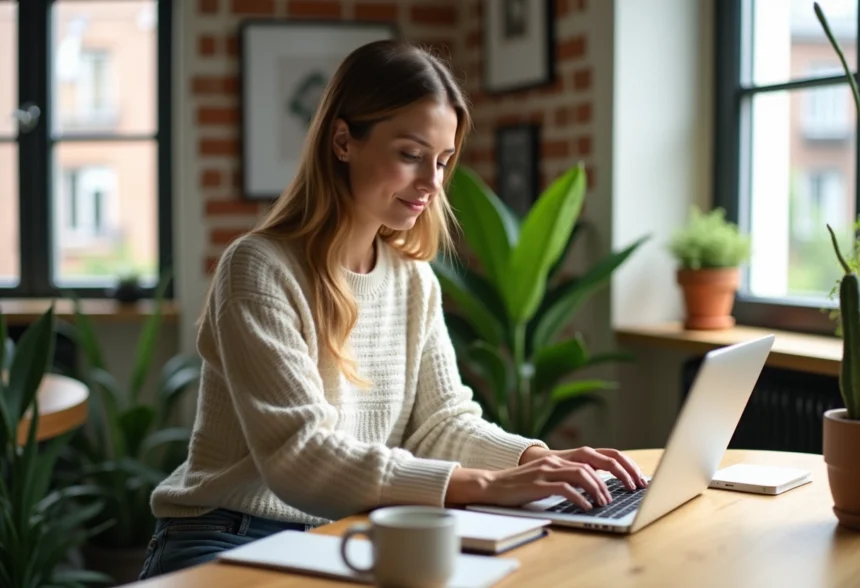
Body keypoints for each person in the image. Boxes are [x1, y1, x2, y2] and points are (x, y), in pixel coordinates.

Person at [138, 39, 647, 580]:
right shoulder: (259, 269)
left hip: (342, 535)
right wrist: (489, 485)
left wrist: (534, 460)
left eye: (444, 161)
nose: (432, 183)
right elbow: (298, 457)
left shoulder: (412, 279)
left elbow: (442, 422)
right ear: (342, 142)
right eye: (410, 155)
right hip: (226, 534)